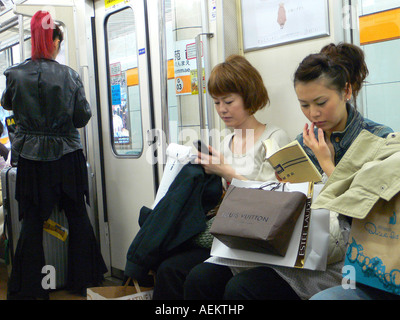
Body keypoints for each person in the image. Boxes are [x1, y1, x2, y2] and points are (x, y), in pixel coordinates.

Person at [184, 43, 393, 300]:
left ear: (346, 91)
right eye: (304, 105)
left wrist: (327, 164)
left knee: (243, 289)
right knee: (200, 278)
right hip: (302, 246)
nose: (313, 114)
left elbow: (371, 213)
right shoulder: (301, 141)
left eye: (321, 103)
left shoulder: (379, 139)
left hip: (346, 256)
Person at [152, 54, 290, 299]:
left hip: (258, 243)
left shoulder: (274, 138)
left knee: (199, 279)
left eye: (228, 101)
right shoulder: (227, 141)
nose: (222, 110)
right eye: (216, 103)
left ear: (249, 97)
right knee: (168, 269)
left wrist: (226, 172)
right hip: (228, 238)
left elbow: (275, 202)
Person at [1, 11, 107, 300]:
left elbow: (7, 103)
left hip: (32, 159)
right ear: (56, 41)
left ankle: (30, 290)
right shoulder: (70, 75)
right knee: (77, 216)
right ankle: (84, 281)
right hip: (67, 155)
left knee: (32, 223)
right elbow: (82, 116)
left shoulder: (14, 73)